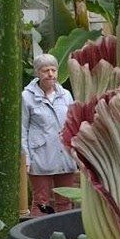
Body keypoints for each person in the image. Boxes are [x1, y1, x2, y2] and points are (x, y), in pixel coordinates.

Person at [21, 54, 78, 215]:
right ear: (37, 73)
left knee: (65, 200)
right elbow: (22, 129)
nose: (51, 74)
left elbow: (73, 123)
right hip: (40, 155)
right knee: (41, 201)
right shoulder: (26, 97)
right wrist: (26, 158)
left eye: (54, 70)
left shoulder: (66, 94)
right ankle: (39, 237)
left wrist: (76, 151)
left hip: (64, 154)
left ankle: (64, 235)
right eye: (46, 71)